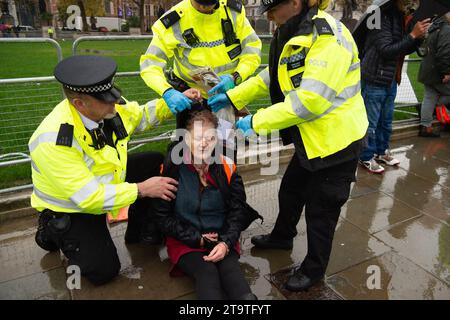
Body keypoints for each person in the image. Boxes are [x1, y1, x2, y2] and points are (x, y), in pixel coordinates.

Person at [209, 0, 368, 291]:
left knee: (322, 212)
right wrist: (234, 96)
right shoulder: (295, 32)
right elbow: (271, 76)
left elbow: (309, 102)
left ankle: (313, 270)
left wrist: (255, 122)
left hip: (337, 143)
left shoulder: (327, 38)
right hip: (312, 139)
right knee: (291, 190)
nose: (268, 14)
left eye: (272, 7)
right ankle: (282, 236)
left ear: (295, 3)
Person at [30, 55, 196, 285]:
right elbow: (88, 198)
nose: (115, 104)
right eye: (107, 101)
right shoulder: (55, 140)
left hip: (102, 185)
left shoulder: (106, 108)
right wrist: (141, 189)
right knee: (103, 272)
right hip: (74, 206)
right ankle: (50, 230)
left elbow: (140, 116)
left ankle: (141, 232)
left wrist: (172, 102)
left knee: (153, 161)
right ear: (79, 103)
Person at [154, 109, 261, 300]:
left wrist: (226, 242)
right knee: (207, 273)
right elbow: (163, 217)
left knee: (235, 279)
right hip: (186, 240)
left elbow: (237, 212)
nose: (204, 144)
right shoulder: (172, 168)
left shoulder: (227, 167)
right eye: (197, 138)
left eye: (210, 139)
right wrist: (198, 239)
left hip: (222, 237)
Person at [139, 0, 262, 128]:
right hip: (192, 97)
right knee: (191, 144)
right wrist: (167, 92)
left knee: (227, 143)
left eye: (210, 3)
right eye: (200, 2)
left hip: (227, 94)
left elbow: (252, 51)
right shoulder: (173, 20)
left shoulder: (233, 11)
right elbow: (150, 63)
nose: (204, 6)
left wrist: (236, 76)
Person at [357, 0, 431, 173]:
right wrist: (412, 35)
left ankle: (381, 152)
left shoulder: (398, 17)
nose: (410, 3)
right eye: (406, 1)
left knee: (386, 121)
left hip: (390, 79)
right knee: (370, 123)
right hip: (375, 78)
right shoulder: (378, 17)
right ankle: (366, 156)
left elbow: (402, 49)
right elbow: (386, 49)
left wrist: (417, 39)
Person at [418, 12, 450, 137]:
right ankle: (435, 109)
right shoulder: (447, 29)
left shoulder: (435, 26)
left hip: (428, 70)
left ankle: (425, 127)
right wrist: (447, 72)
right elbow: (445, 52)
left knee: (429, 97)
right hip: (438, 72)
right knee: (433, 98)